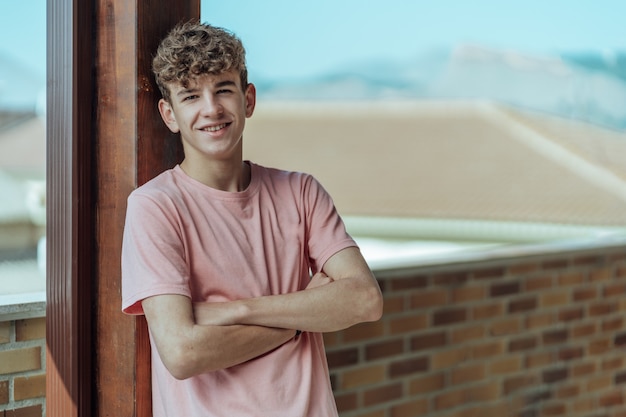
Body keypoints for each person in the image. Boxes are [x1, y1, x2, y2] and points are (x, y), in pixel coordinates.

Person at [121, 20, 383, 417]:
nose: (211, 109)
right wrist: (305, 314)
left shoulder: (301, 192)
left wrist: (235, 311)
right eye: (190, 96)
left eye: (223, 89)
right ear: (169, 114)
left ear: (249, 100)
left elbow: (364, 300)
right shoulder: (155, 206)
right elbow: (183, 352)